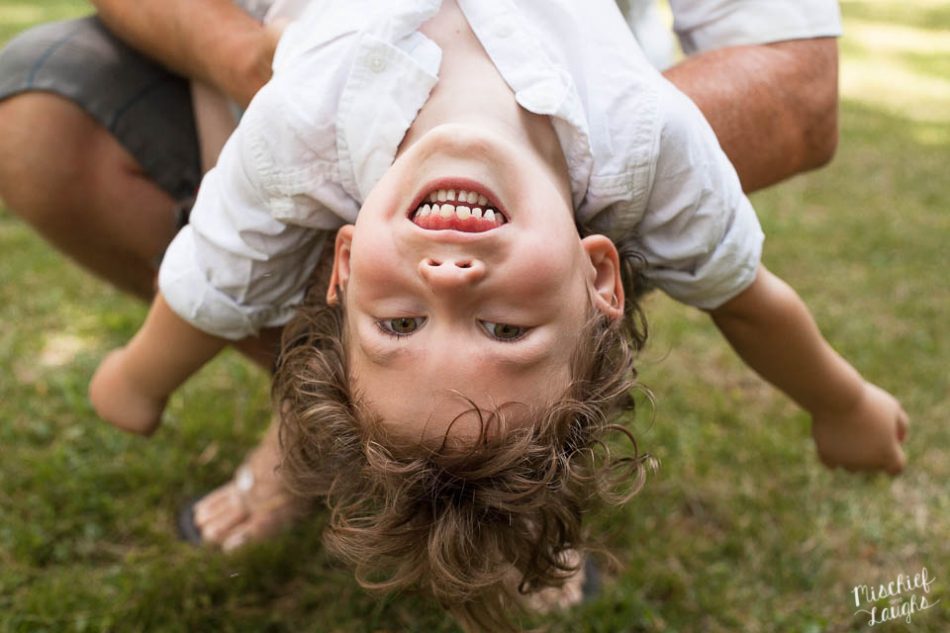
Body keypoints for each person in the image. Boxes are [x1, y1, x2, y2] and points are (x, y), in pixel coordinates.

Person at [63, 0, 907, 628]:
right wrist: (843, 403)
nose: (450, 279)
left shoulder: (301, 126)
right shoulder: (645, 137)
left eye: (398, 323)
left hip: (283, 32)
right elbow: (745, 295)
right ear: (599, 277)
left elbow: (211, 281)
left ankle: (297, 436)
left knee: (242, 152)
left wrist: (135, 381)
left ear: (347, 264)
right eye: (504, 330)